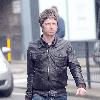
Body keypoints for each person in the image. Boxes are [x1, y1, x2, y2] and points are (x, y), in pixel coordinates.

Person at [25, 8, 86, 100]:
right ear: (42, 26)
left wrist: (80, 85)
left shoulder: (65, 45)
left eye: (54, 24)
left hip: (59, 94)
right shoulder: (33, 47)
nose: (51, 27)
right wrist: (28, 96)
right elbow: (30, 74)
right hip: (39, 95)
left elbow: (74, 66)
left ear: (57, 26)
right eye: (48, 24)